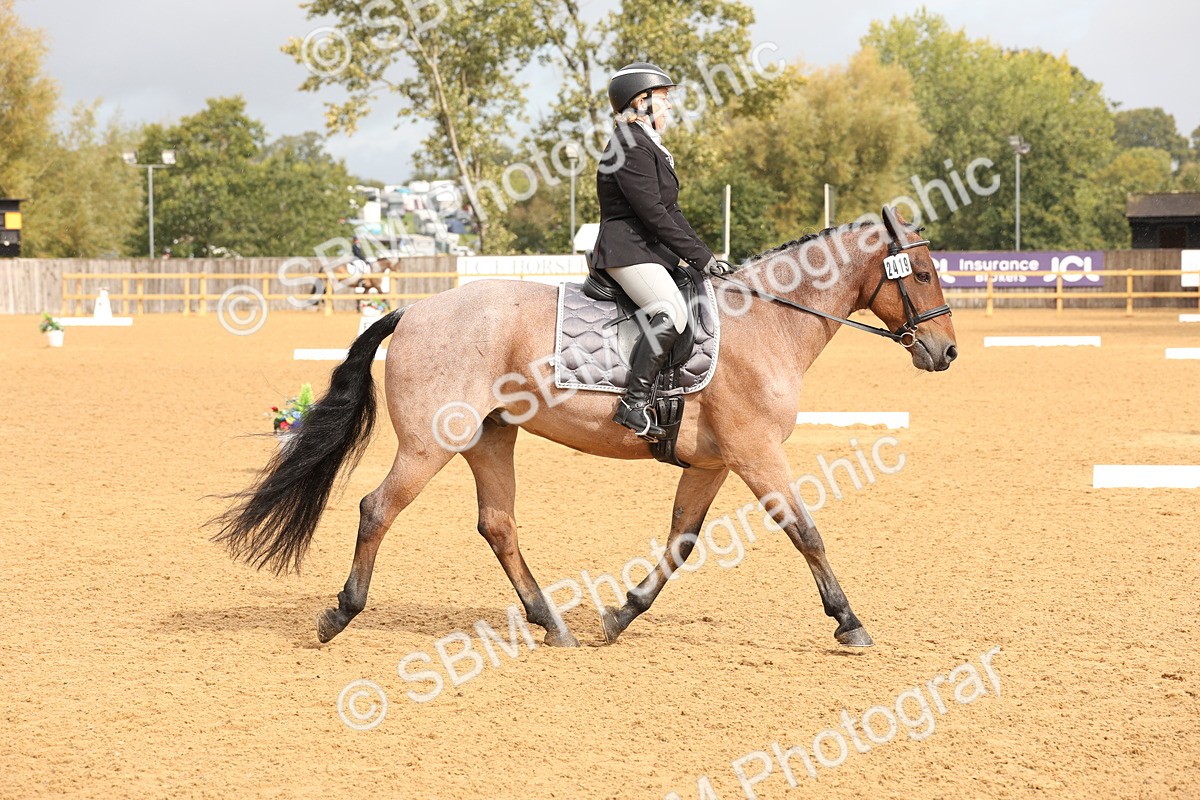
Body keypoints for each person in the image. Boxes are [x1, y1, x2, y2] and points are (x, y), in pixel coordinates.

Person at [593, 61, 733, 441]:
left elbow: (671, 210)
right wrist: (700, 258)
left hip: (648, 251)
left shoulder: (648, 145)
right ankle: (633, 402)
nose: (670, 107)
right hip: (627, 251)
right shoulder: (628, 145)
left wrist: (707, 257)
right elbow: (652, 213)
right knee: (670, 312)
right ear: (641, 101)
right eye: (664, 99)